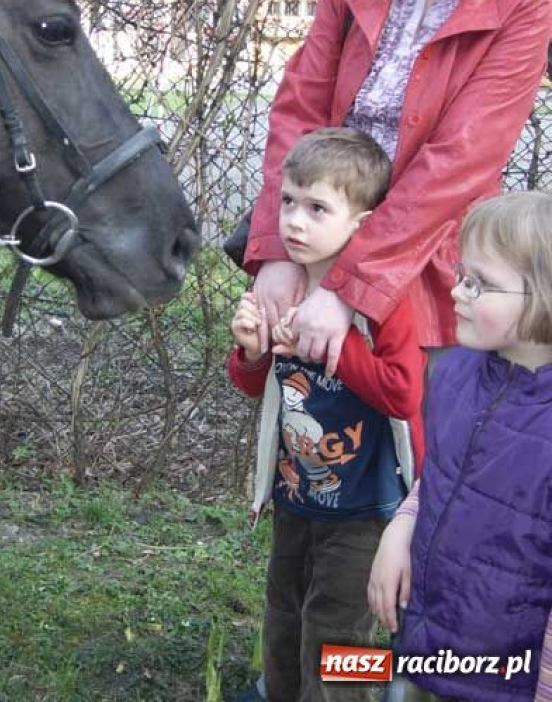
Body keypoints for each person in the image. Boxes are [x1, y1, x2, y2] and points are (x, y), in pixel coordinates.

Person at [245, 0, 552, 376]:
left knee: (410, 428)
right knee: (304, 423)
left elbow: (456, 164)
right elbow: (298, 113)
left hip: (420, 275)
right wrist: (277, 253)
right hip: (317, 247)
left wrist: (347, 288)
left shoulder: (523, 9)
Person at [228, 128, 426, 702]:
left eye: (317, 209)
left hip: (365, 511)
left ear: (361, 226)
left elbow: (403, 393)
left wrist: (337, 347)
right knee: (284, 618)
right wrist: (251, 351)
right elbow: (254, 384)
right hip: (296, 498)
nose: (294, 221)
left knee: (341, 639)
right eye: (288, 201)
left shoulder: (384, 303)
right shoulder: (280, 287)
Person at [368, 191, 552, 702]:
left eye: (479, 283)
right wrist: (401, 528)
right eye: (461, 273)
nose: (457, 291)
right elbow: (442, 470)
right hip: (433, 637)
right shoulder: (454, 373)